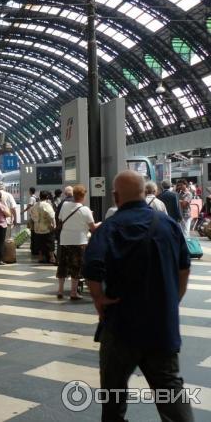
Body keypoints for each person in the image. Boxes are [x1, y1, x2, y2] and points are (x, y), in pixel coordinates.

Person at [83, 170, 192, 422]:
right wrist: (173, 299)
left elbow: (92, 268)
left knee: (113, 393)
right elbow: (184, 267)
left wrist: (99, 299)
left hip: (120, 324)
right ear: (145, 193)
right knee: (170, 389)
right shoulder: (168, 225)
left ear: (115, 196)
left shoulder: (109, 227)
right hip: (160, 326)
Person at [56, 184, 98, 300]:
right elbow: (93, 228)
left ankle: (60, 290)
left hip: (65, 240)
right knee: (76, 266)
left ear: (73, 194)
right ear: (83, 196)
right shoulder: (85, 210)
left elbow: (60, 220)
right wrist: (100, 223)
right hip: (79, 241)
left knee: (63, 265)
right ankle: (73, 293)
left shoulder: (64, 205)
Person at [31, 190, 57, 264]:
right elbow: (51, 216)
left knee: (39, 243)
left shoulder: (35, 205)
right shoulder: (47, 205)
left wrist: (36, 221)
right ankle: (52, 258)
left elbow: (32, 214)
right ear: (47, 197)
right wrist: (54, 225)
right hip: (47, 227)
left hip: (37, 228)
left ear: (40, 196)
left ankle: (40, 257)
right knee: (50, 242)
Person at [24, 187, 38, 255]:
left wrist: (23, 211)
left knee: (32, 231)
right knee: (33, 231)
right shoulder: (36, 197)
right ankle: (34, 246)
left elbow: (29, 205)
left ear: (30, 191)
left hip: (32, 217)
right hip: (34, 216)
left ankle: (33, 247)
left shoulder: (31, 198)